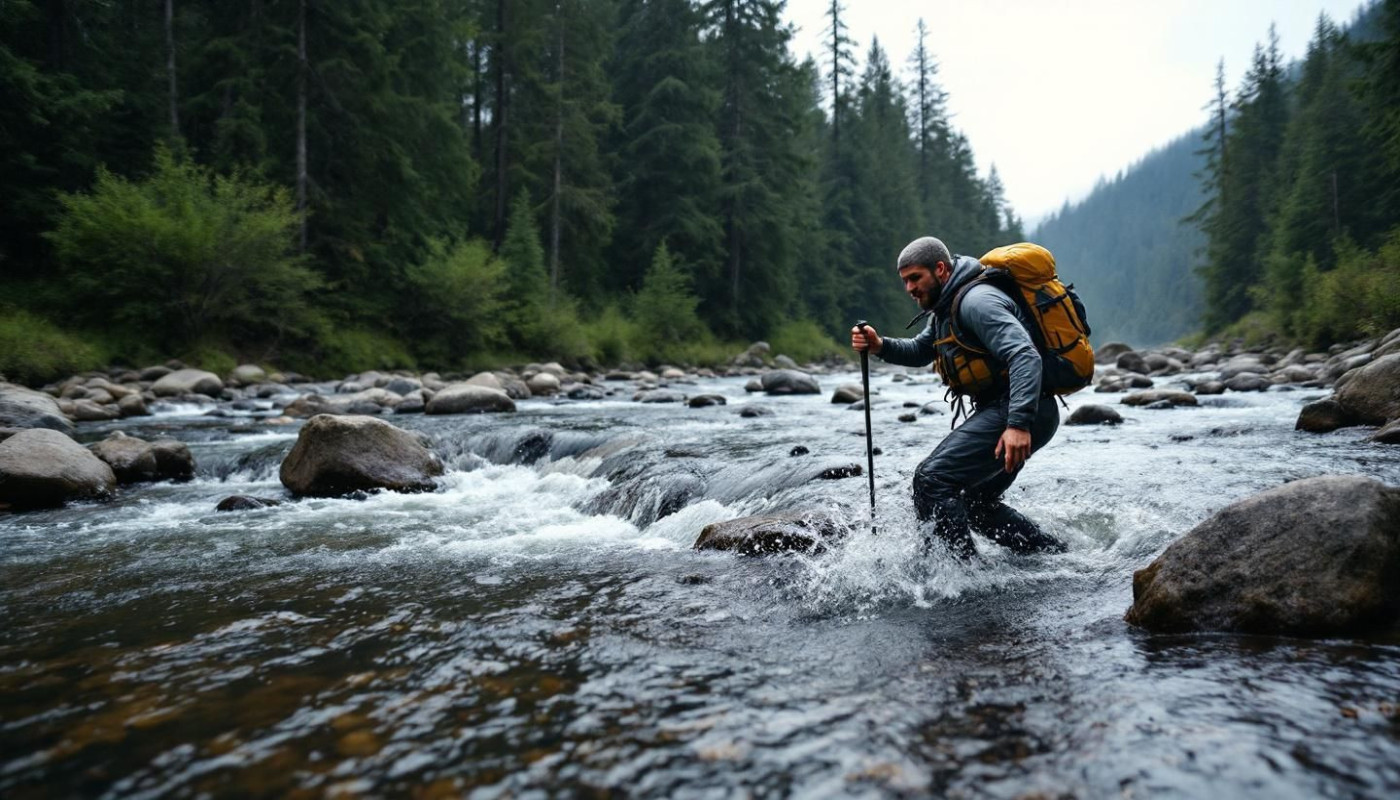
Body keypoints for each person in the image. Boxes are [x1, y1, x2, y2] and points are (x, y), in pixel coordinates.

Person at [850, 235, 1065, 559]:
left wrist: (1018, 424)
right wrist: (880, 345)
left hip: (1021, 410)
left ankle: (953, 578)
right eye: (905, 281)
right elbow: (922, 350)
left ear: (940, 269)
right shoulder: (945, 308)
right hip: (1014, 410)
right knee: (973, 503)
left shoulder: (977, 303)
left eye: (915, 278)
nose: (909, 288)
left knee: (932, 480)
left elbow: (1025, 356)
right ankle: (1055, 556)